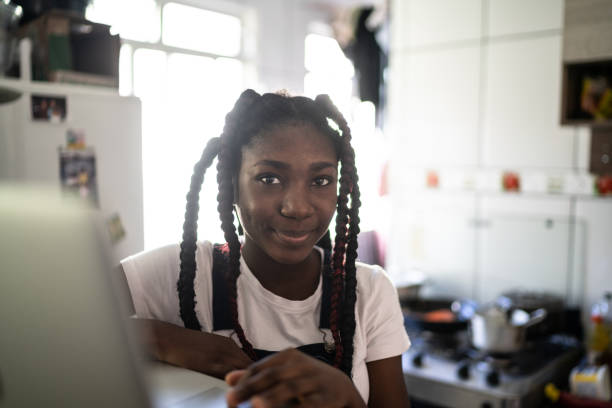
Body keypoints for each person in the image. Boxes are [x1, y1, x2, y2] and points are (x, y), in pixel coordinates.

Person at [119, 90, 411, 407]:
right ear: (232, 188)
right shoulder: (185, 273)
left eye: (321, 180)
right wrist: (164, 338)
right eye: (269, 178)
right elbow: (59, 320)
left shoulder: (369, 292)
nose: (297, 207)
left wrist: (350, 401)